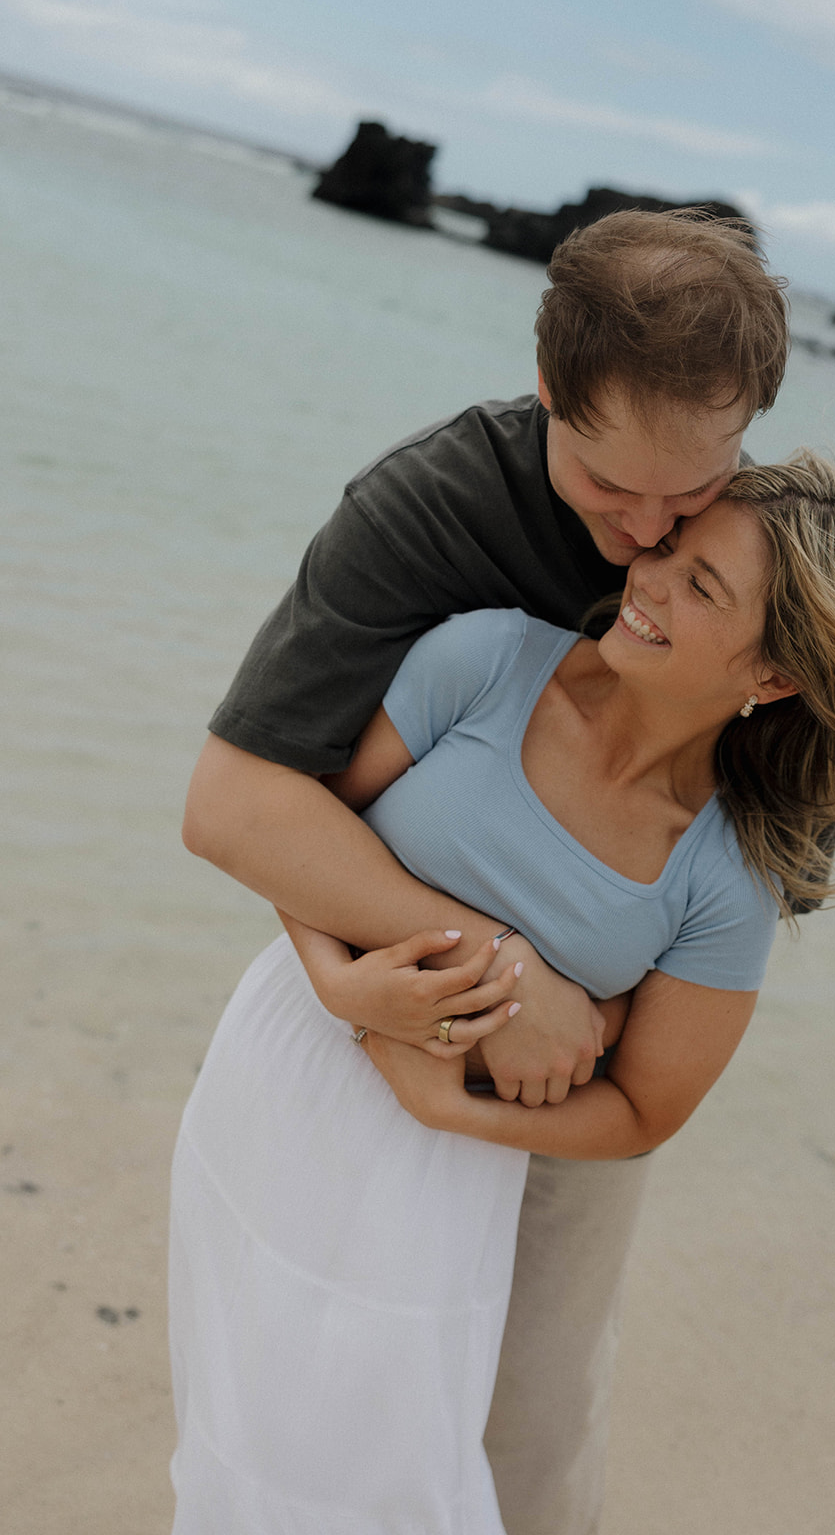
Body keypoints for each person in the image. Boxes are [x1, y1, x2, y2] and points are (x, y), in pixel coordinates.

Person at [170, 453, 835, 1533]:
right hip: (286, 1077)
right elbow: (292, 820)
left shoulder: (723, 878)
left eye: (702, 588)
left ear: (774, 676)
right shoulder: (483, 658)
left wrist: (449, 1106)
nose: (647, 580)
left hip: (449, 1171)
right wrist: (362, 981)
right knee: (237, 1427)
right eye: (669, 554)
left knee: (391, 1473)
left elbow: (648, 1106)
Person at [180, 207, 795, 1535]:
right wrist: (459, 976)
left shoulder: (758, 577)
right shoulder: (428, 510)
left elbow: (708, 941)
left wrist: (545, 1026)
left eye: (685, 494)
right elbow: (241, 803)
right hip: (373, 1023)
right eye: (604, 486)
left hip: (570, 1091)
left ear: (744, 424)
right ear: (543, 390)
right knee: (293, 1394)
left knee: (526, 1428)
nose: (642, 538)